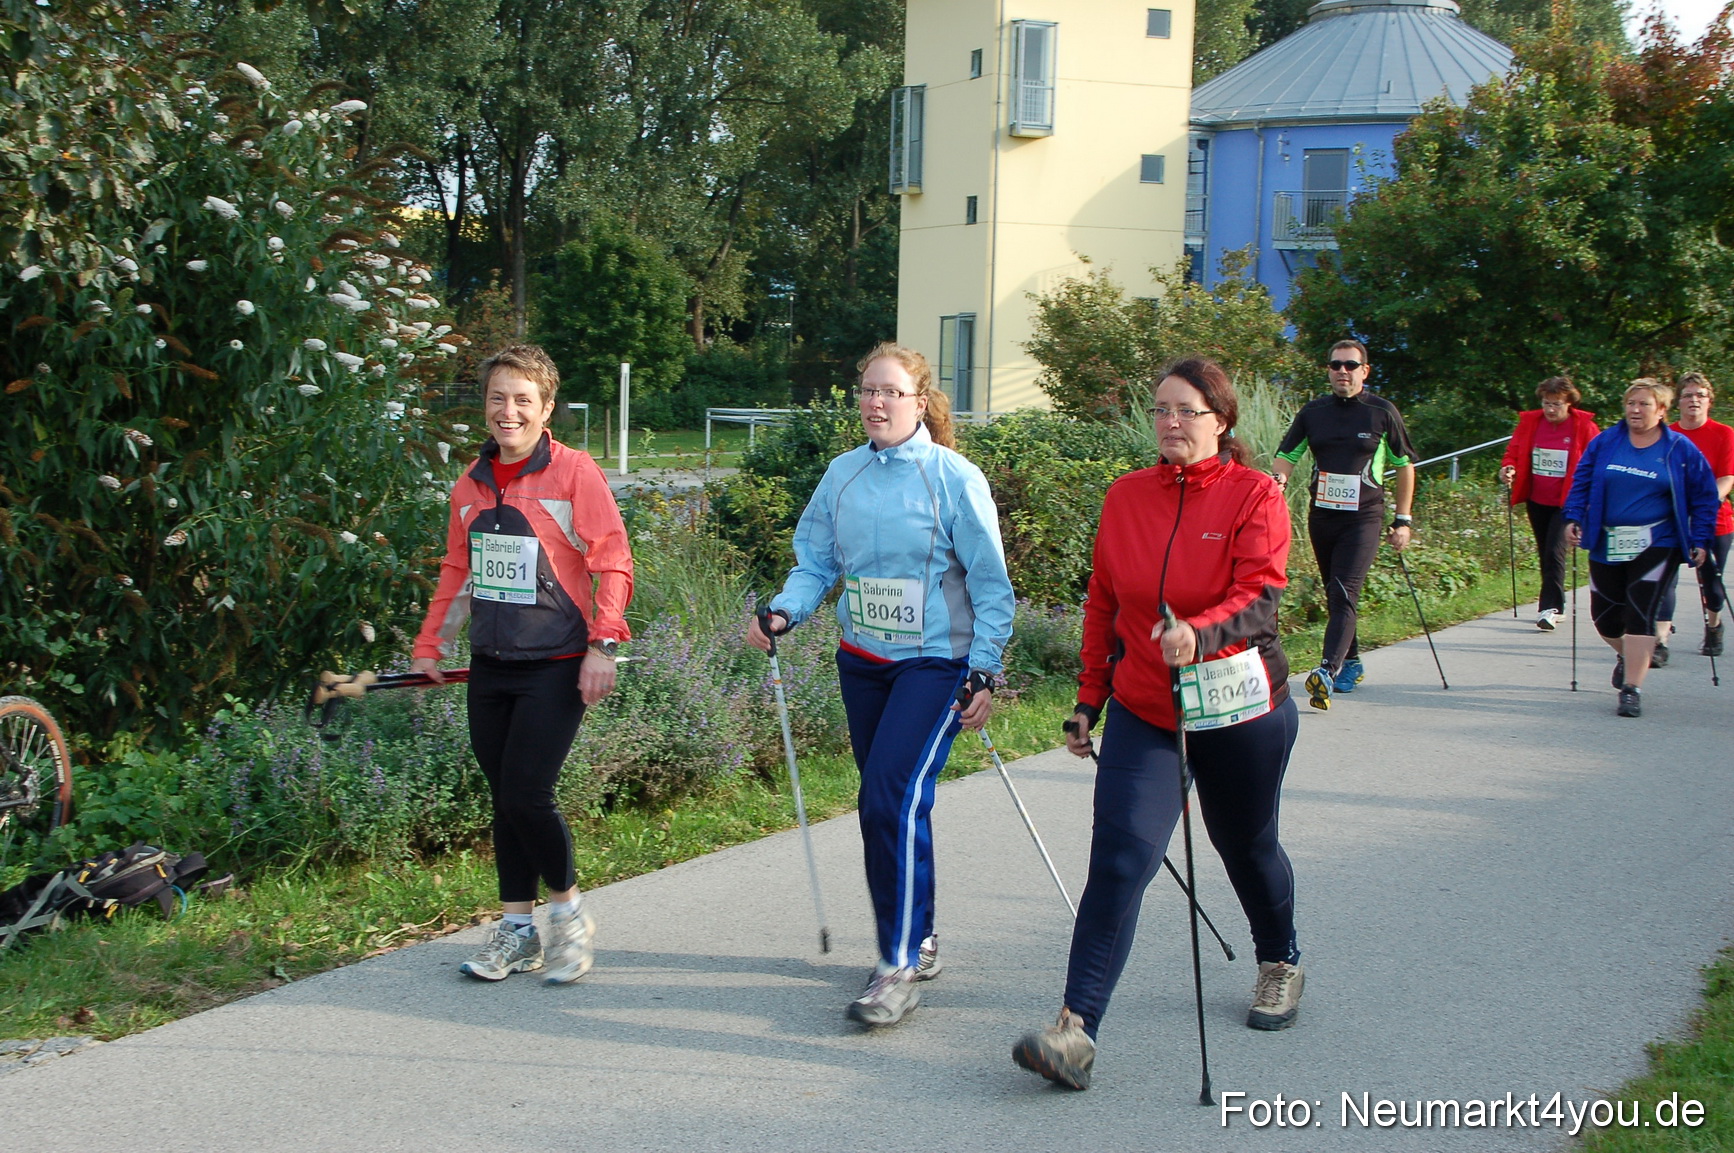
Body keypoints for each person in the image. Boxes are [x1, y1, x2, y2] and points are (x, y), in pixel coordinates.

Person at [1013, 357, 1299, 1092]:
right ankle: (1074, 1031)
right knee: (1119, 858)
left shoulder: (1255, 494)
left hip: (1237, 706)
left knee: (1244, 842)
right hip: (1147, 706)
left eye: (1187, 410)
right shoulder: (1126, 497)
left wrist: (1197, 634)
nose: (1171, 422)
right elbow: (1104, 602)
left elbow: (1260, 597)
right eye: (1161, 409)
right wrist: (1089, 699)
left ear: (1222, 420)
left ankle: (1279, 959)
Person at [746, 341, 1014, 1028]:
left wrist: (985, 664)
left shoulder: (953, 476)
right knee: (901, 804)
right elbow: (815, 562)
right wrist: (785, 608)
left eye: (890, 392)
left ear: (918, 402)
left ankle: (894, 965)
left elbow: (990, 584)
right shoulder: (842, 476)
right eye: (867, 390)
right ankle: (919, 936)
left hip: (934, 666)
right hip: (862, 662)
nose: (875, 402)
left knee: (885, 796)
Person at [411, 345, 633, 983]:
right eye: (497, 399)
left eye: (522, 400)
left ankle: (567, 917)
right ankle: (516, 929)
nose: (508, 411)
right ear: (485, 407)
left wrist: (603, 644)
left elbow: (611, 560)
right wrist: (432, 643)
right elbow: (459, 570)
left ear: (546, 409)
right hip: (491, 665)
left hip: (556, 663)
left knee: (527, 795)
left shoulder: (573, 473)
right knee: (503, 801)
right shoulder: (470, 484)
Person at [1272, 339, 1417, 708]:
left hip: (1364, 516)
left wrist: (1403, 520)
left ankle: (1326, 670)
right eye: (1336, 365)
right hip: (1322, 515)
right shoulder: (1314, 411)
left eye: (1351, 365)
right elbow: (1287, 454)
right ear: (1328, 370)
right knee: (1335, 591)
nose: (1342, 372)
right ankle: (1350, 662)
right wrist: (1279, 480)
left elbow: (1405, 467)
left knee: (1344, 590)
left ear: (1364, 371)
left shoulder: (1382, 412)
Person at [1562, 379, 1718, 717]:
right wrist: (1572, 518)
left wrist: (1700, 538)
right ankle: (1626, 654)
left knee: (1640, 611)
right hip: (1607, 540)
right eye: (1631, 403)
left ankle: (1632, 688)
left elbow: (1705, 496)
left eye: (1644, 404)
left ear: (1661, 411)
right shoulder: (1605, 443)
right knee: (1604, 619)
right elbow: (1582, 481)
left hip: (1659, 541)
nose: (1635, 409)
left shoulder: (1679, 449)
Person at [1500, 378, 1601, 631]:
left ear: (1569, 403)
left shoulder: (1584, 426)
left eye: (1556, 404)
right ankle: (1557, 605)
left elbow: (1598, 457)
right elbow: (1513, 451)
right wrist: (1508, 468)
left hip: (1568, 501)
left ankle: (1550, 607)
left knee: (1555, 551)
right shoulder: (1530, 422)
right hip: (1537, 498)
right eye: (1546, 403)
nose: (1550, 409)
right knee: (1545, 550)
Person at [1649, 373, 1734, 659]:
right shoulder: (1665, 433)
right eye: (1687, 395)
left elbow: (1726, 477)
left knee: (1711, 582)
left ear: (1709, 401)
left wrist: (1705, 503)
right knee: (1664, 578)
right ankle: (1660, 641)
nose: (1694, 400)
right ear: (1678, 402)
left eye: (1700, 395)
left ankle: (1714, 624)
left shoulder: (1723, 434)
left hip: (1713, 518)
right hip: (1670, 519)